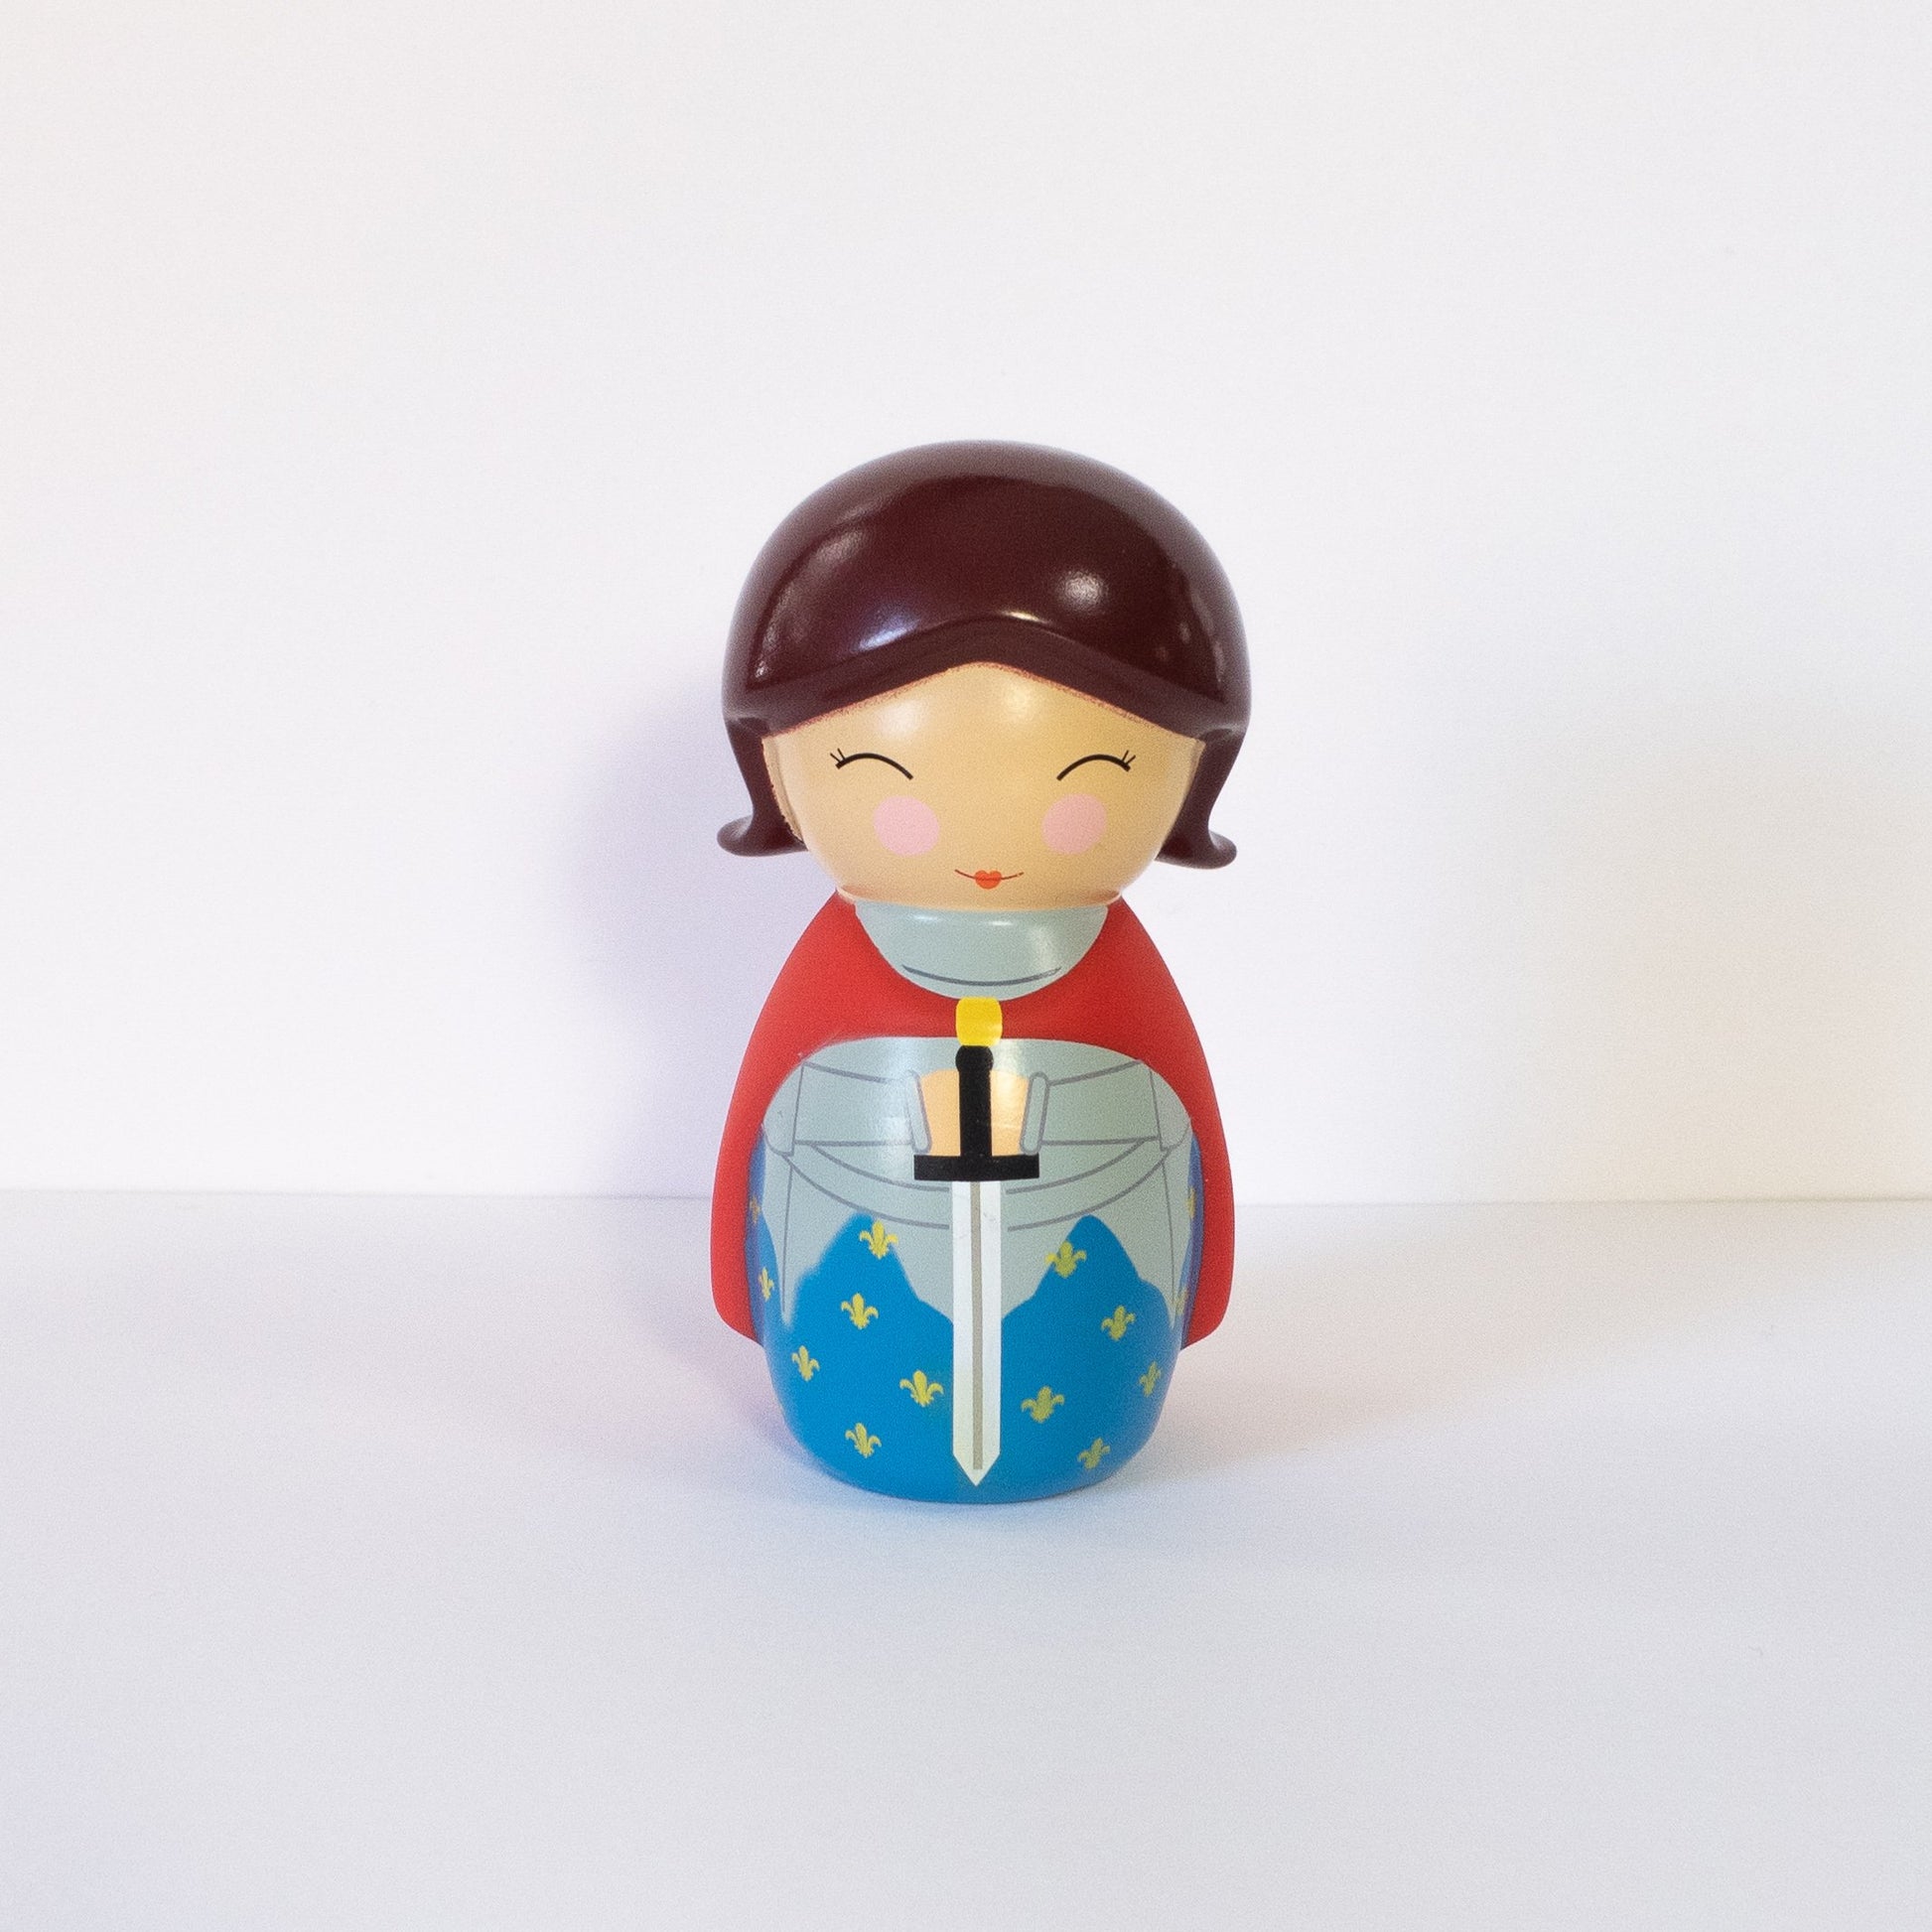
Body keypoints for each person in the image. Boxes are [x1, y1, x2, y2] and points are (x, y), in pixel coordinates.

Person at [711, 442, 1250, 1501]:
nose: (985, 847)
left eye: (1083, 781)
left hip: (1097, 1308)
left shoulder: (1115, 964)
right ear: (777, 763)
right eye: (887, 778)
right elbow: (758, 1118)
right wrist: (741, 1286)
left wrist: (1205, 1278)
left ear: (1192, 769)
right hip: (844, 1324)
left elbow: (1188, 1115)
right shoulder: (835, 962)